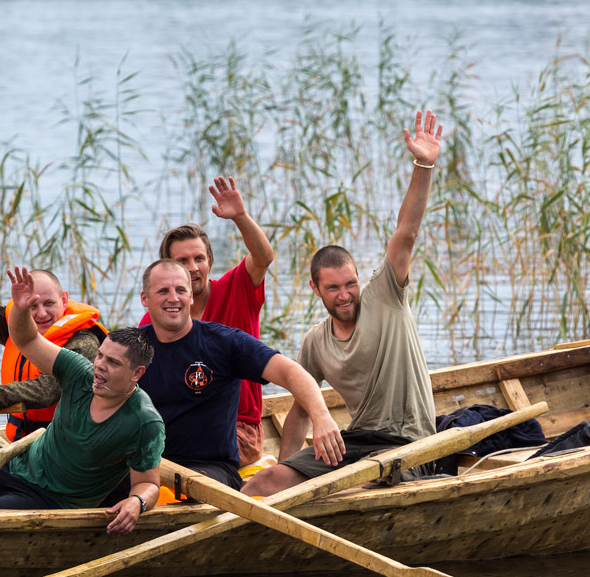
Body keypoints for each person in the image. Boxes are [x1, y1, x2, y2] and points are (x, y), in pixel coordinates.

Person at [243, 110, 444, 497]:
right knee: (266, 483)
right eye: (334, 288)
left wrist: (423, 164)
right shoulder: (316, 342)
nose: (346, 294)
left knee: (348, 490)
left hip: (410, 446)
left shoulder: (385, 297)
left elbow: (406, 232)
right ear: (316, 290)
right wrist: (288, 466)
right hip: (357, 442)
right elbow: (300, 408)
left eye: (350, 283)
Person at [0, 267, 165, 536]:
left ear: (137, 373)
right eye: (100, 356)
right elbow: (26, 338)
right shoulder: (79, 372)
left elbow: (149, 483)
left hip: (54, 499)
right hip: (17, 467)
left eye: (113, 363)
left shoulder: (144, 421)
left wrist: (137, 502)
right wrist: (19, 306)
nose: (99, 366)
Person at [135, 259, 344, 494]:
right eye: (163, 291)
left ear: (191, 296)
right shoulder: (130, 347)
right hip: (149, 465)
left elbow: (292, 372)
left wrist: (322, 416)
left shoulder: (224, 342)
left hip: (209, 471)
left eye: (181, 290)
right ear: (145, 298)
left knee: (171, 492)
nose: (173, 298)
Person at [141, 176, 275, 472]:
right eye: (183, 260)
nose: (193, 268)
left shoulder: (235, 288)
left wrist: (239, 216)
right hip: (178, 424)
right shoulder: (157, 316)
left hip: (238, 429)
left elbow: (263, 257)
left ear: (210, 260)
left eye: (199, 258)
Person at [0, 203, 107, 441]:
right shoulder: (16, 324)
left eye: (49, 304)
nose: (41, 314)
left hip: (64, 448)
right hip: (19, 443)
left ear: (64, 300)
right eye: (32, 305)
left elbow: (48, 389)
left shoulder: (84, 342)